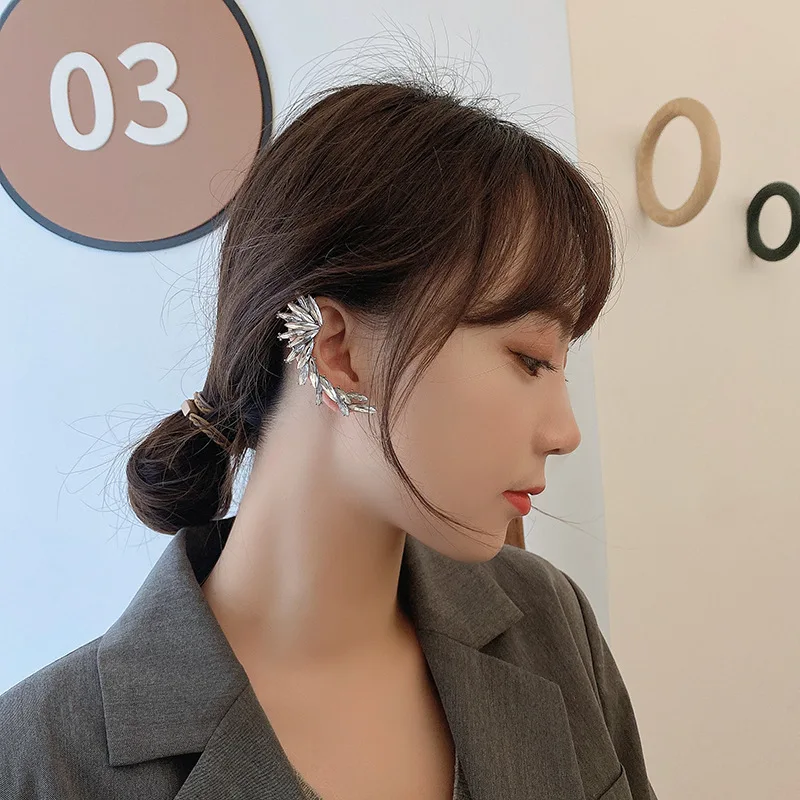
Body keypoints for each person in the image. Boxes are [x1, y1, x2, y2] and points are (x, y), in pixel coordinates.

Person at [0, 75, 658, 800]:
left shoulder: (548, 620)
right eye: (529, 359)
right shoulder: (42, 759)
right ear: (339, 350)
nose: (565, 432)